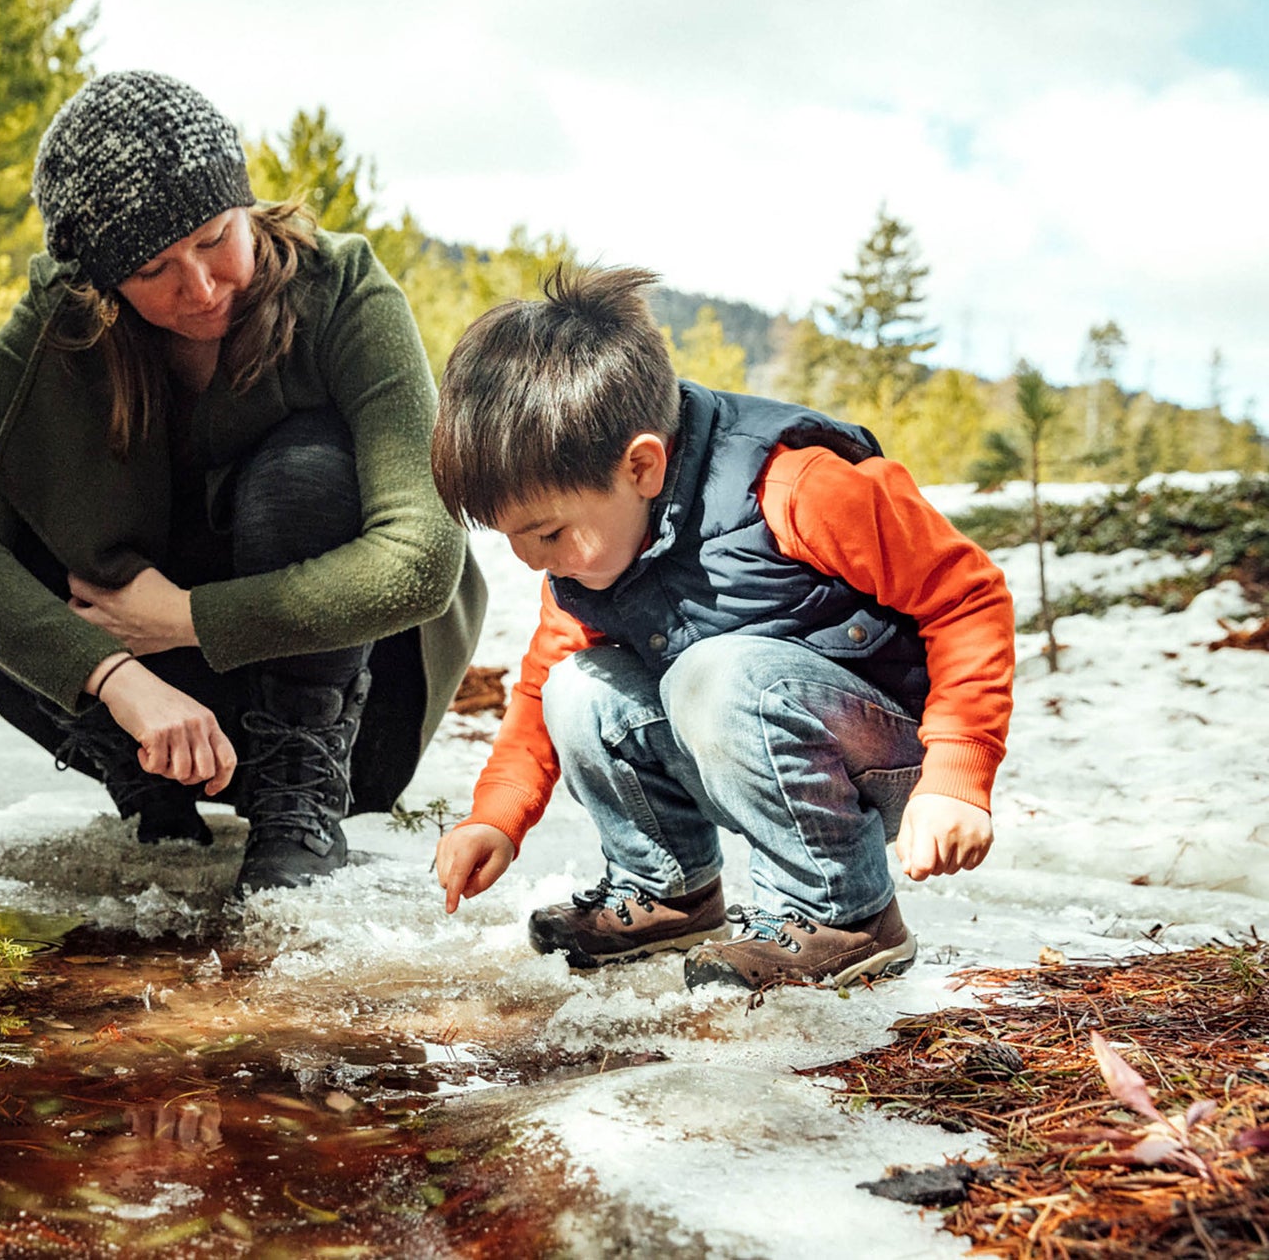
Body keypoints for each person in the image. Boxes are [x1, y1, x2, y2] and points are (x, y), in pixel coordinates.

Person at [0, 71, 485, 895]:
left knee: (309, 472)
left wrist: (178, 620)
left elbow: (423, 558)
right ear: (104, 282)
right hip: (155, 700)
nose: (204, 286)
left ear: (247, 205)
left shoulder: (347, 292)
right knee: (2, 569)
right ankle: (155, 783)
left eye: (217, 237)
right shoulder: (59, 323)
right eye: (155, 268)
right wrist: (118, 676)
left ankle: (298, 804)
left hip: (351, 701)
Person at [428, 265, 1013, 990]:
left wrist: (957, 776)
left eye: (546, 532)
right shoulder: (588, 567)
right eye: (512, 537)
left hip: (889, 754)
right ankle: (670, 890)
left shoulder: (797, 486)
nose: (530, 561)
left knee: (720, 671)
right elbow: (539, 690)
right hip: (743, 738)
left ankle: (840, 912)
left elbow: (966, 596)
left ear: (642, 465)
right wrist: (496, 820)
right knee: (578, 686)